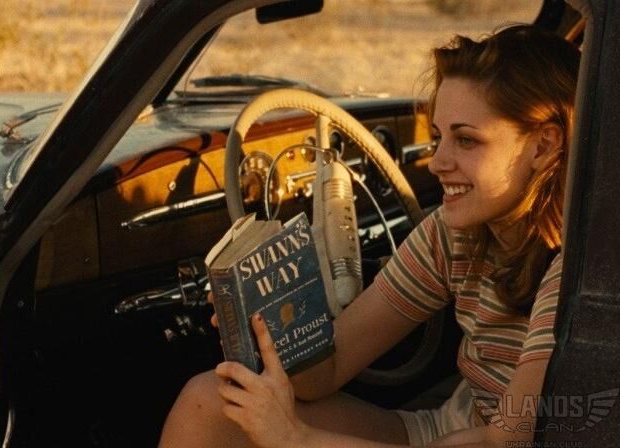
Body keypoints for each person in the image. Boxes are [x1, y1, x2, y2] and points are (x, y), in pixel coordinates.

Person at [159, 24, 580, 447]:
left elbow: (504, 442)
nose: (437, 163)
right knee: (209, 403)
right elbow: (328, 369)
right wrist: (269, 326)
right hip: (455, 427)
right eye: (438, 137)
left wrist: (295, 439)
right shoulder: (454, 235)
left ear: (543, 147)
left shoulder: (578, 267)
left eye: (467, 140)